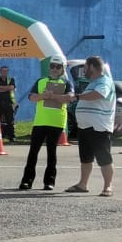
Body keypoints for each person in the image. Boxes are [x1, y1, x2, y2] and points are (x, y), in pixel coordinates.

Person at [17, 57, 74, 191]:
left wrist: (53, 96)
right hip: (40, 121)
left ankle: (49, 181)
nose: (54, 69)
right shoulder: (41, 81)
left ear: (62, 69)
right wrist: (43, 96)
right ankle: (27, 181)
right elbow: (31, 97)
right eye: (52, 66)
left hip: (57, 121)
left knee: (51, 151)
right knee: (33, 151)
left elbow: (70, 98)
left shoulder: (66, 82)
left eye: (57, 67)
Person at [66, 55, 117, 197]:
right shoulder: (93, 82)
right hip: (85, 127)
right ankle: (83, 184)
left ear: (93, 67)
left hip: (98, 127)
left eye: (86, 67)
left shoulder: (104, 81)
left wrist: (77, 97)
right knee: (86, 157)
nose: (84, 71)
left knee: (104, 158)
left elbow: (99, 94)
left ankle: (108, 187)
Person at [0, 65, 17, 141]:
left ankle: (11, 136)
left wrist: (0, 88)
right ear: (0, 72)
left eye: (6, 71)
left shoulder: (11, 79)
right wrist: (6, 88)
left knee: (10, 120)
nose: (5, 72)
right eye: (3, 71)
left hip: (8, 103)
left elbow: (11, 88)